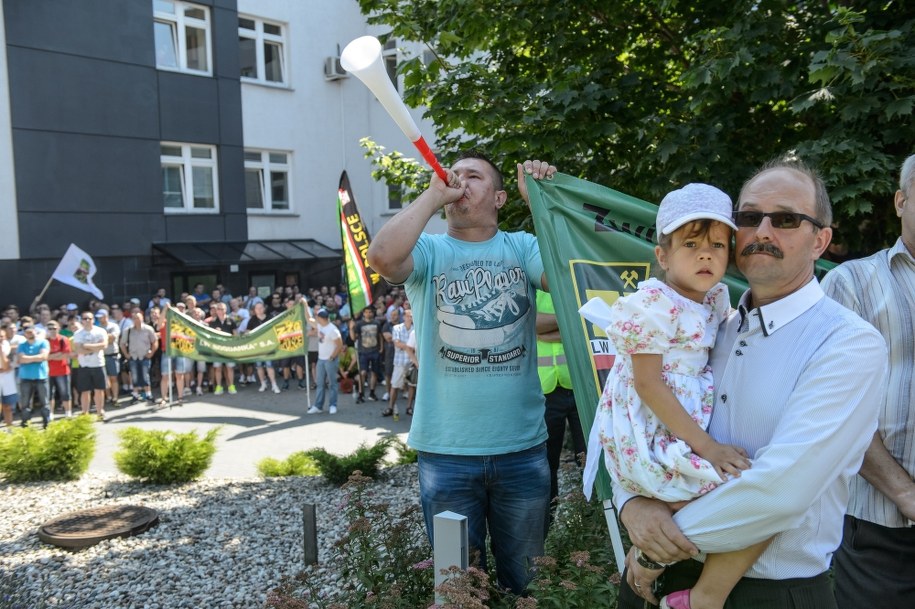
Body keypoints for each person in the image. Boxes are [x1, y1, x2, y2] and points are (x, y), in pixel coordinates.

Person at [616, 158, 888, 609]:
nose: (762, 231)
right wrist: (632, 504)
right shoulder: (700, 328)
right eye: (748, 217)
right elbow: (627, 414)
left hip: (766, 594)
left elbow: (777, 492)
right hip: (653, 581)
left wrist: (655, 549)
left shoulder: (847, 344)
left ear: (821, 240)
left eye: (785, 219)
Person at [366, 153, 556, 593]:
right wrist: (432, 195)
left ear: (501, 197)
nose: (459, 181)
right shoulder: (431, 251)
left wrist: (541, 204)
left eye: (474, 176)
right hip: (446, 452)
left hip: (522, 450)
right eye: (454, 174)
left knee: (528, 582)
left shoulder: (522, 246)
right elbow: (381, 256)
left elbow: (568, 276)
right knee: (456, 589)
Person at [584, 184, 771, 609]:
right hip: (653, 427)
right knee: (743, 492)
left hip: (681, 420)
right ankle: (687, 583)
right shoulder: (651, 303)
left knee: (757, 499)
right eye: (691, 244)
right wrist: (706, 445)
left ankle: (687, 583)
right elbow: (648, 383)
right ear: (663, 256)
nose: (705, 255)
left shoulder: (715, 301)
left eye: (717, 245)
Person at [820, 153, 915, 608]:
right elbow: (833, 408)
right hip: (881, 525)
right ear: (900, 201)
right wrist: (905, 493)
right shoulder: (850, 283)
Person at [536, 289, 585, 532]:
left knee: (590, 461)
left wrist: (550, 326)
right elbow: (531, 323)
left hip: (581, 386)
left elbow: (590, 322)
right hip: (543, 390)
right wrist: (570, 318)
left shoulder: (570, 274)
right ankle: (545, 534)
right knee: (546, 465)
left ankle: (595, 527)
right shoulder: (530, 278)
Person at [73, 311, 110, 421]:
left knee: (99, 390)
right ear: (82, 321)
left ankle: (100, 412)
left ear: (93, 319)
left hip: (98, 364)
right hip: (84, 365)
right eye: (85, 318)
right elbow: (78, 349)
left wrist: (86, 346)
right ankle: (85, 413)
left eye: (89, 318)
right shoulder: (78, 333)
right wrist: (95, 347)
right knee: (85, 391)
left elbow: (104, 345)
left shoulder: (100, 331)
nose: (87, 320)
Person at [307, 308, 343, 415]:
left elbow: (339, 345)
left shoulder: (333, 330)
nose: (315, 318)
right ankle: (318, 406)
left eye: (317, 316)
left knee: (332, 383)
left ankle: (333, 405)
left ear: (321, 318)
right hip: (321, 359)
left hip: (330, 359)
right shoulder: (320, 325)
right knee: (320, 383)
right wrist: (304, 305)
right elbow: (308, 318)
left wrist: (332, 357)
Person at [120, 309, 158, 405]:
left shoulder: (148, 329)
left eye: (138, 318)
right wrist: (126, 354)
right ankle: (135, 395)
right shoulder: (128, 330)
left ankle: (148, 394)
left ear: (142, 318)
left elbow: (154, 341)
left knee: (145, 376)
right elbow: (122, 344)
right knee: (134, 376)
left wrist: (152, 352)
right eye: (135, 318)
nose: (137, 320)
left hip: (144, 356)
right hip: (133, 356)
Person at [17, 323, 51, 429]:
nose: (30, 333)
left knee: (44, 402)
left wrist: (28, 358)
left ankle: (47, 423)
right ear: (24, 334)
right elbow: (21, 359)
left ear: (35, 331)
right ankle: (25, 425)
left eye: (31, 331)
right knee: (25, 403)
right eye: (27, 332)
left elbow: (44, 356)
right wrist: (37, 357)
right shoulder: (21, 345)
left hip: (41, 377)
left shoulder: (44, 342)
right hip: (25, 377)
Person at [382, 308, 413, 420]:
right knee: (394, 385)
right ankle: (390, 407)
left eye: (412, 316)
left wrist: (405, 346)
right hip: (400, 362)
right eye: (408, 316)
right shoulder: (397, 328)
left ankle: (409, 407)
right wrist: (410, 347)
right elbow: (397, 343)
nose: (410, 318)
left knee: (412, 386)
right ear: (404, 317)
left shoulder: (416, 329)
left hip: (412, 362)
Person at [246, 301, 281, 394]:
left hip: (268, 346)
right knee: (259, 366)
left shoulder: (270, 318)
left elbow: (275, 329)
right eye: (257, 308)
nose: (259, 310)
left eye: (261, 308)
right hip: (257, 347)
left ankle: (274, 384)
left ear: (264, 308)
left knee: (269, 365)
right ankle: (263, 383)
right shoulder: (252, 320)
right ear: (254, 310)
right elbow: (248, 332)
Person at [352, 306, 383, 403]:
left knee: (374, 372)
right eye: (366, 312)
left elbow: (380, 336)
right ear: (363, 313)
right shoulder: (359, 324)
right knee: (363, 373)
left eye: (370, 312)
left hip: (375, 350)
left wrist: (381, 347)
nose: (368, 314)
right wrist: (351, 328)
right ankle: (361, 392)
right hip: (363, 351)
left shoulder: (377, 323)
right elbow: (354, 338)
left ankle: (372, 392)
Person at [208, 302, 238, 395]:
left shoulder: (231, 320)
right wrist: (215, 333)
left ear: (226, 310)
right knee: (217, 368)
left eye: (222, 309)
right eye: (219, 309)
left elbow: (235, 335)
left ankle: (231, 386)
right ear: (216, 311)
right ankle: (219, 386)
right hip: (217, 349)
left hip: (229, 348)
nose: (220, 311)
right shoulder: (212, 322)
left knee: (230, 368)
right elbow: (210, 337)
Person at [45, 320, 73, 418]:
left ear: (59, 328)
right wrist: (57, 354)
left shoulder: (63, 339)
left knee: (65, 392)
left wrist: (51, 356)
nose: (52, 330)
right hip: (48, 371)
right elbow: (44, 356)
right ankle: (50, 413)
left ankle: (68, 412)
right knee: (49, 394)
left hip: (62, 370)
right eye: (50, 329)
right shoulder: (45, 341)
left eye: (54, 328)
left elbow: (66, 355)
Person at [95, 309, 121, 406]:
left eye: (101, 317)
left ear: (106, 316)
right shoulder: (97, 327)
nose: (100, 319)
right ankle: (108, 397)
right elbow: (100, 341)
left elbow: (112, 339)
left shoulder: (113, 326)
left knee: (113, 377)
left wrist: (103, 339)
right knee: (104, 378)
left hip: (112, 355)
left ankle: (115, 397)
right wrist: (105, 338)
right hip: (101, 355)